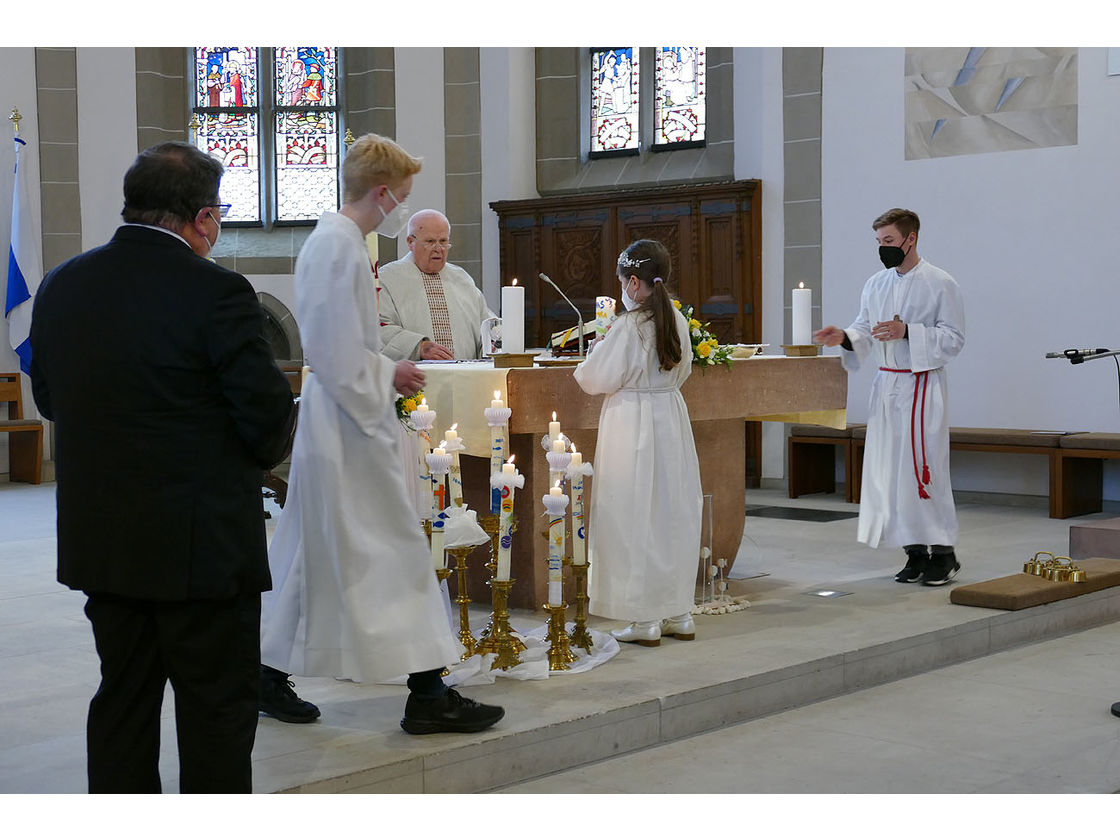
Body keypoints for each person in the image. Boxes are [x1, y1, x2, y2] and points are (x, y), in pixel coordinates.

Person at [28, 142, 296, 793]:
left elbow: (49, 400)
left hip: (108, 549)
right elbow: (266, 425)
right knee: (216, 718)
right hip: (202, 557)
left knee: (121, 706)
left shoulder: (65, 283)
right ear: (203, 219)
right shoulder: (220, 292)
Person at [258, 133, 504, 735]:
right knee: (395, 549)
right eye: (405, 195)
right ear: (384, 192)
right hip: (349, 419)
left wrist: (376, 371)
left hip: (340, 414)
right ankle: (427, 695)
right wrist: (386, 372)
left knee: (310, 549)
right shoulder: (340, 246)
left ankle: (263, 671)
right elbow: (329, 347)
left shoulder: (339, 240)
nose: (403, 207)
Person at [814, 208, 965, 586]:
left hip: (921, 385)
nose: (883, 249)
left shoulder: (940, 282)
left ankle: (943, 554)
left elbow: (954, 338)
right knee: (891, 471)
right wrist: (844, 336)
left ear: (910, 239)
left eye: (890, 241)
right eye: (880, 242)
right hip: (887, 386)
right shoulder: (875, 285)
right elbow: (865, 328)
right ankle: (913, 552)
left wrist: (909, 331)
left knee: (923, 468)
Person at [573, 239, 703, 647]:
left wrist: (593, 353)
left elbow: (593, 379)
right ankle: (677, 611)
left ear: (632, 283)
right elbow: (682, 371)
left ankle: (643, 618)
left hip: (632, 424)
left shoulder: (629, 326)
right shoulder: (676, 320)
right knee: (671, 515)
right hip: (670, 417)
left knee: (632, 515)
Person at [377, 209, 495, 362]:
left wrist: (491, 342)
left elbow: (485, 323)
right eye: (430, 242)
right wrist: (419, 347)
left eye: (444, 241)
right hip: (417, 379)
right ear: (410, 242)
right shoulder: (386, 278)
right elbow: (378, 327)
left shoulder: (462, 279)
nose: (439, 249)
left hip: (466, 375)